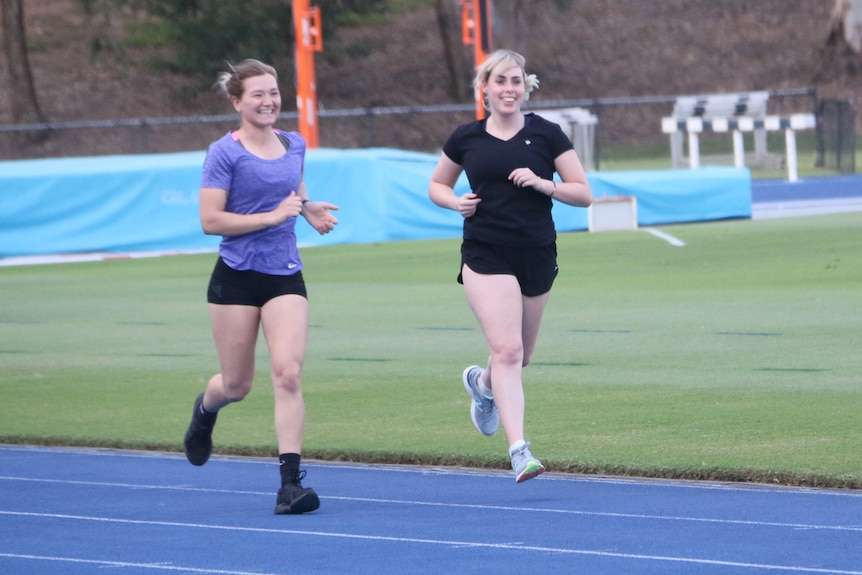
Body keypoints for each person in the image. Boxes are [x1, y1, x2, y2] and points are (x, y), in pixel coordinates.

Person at [428, 49, 592, 483]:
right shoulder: (466, 137)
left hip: (536, 252)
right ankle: (520, 451)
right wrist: (454, 201)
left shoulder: (547, 134)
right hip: (486, 252)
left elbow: (583, 192)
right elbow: (437, 184)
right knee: (508, 351)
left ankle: (482, 387)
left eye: (516, 81)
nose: (508, 89)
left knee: (521, 357)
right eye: (500, 81)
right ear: (484, 88)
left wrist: (545, 185)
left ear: (526, 87)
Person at [183, 59, 338, 514]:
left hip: (284, 274)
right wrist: (269, 217)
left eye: (273, 92)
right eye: (257, 94)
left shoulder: (294, 143)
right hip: (235, 277)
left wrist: (307, 207)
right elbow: (211, 220)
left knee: (287, 372)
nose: (269, 100)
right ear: (237, 102)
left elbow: (294, 183)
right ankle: (205, 411)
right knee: (236, 385)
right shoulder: (224, 153)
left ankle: (290, 485)